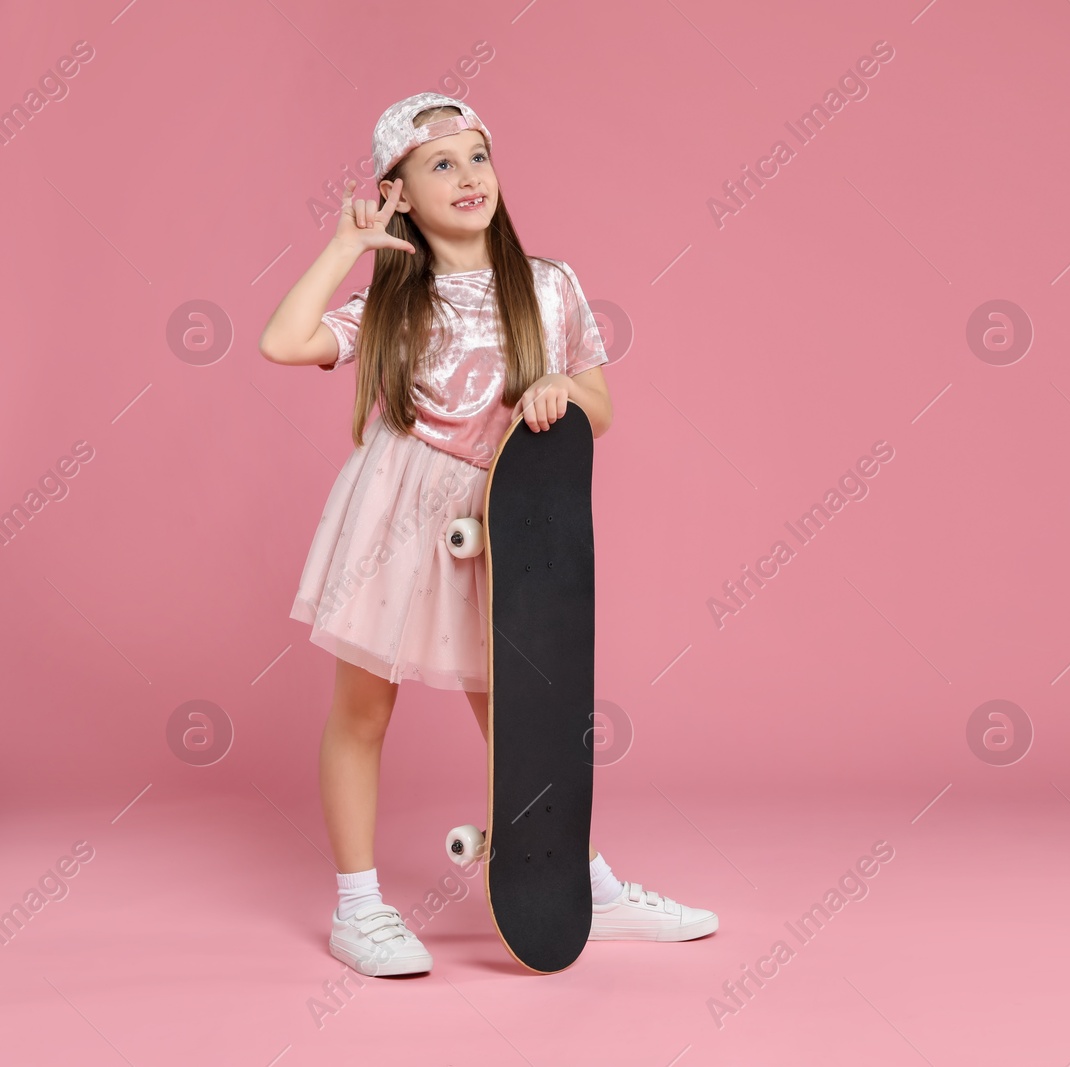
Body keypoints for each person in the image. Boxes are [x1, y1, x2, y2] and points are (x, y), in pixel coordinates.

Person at [259, 92, 717, 977]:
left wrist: (556, 391)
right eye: (440, 165)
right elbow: (284, 341)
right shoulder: (393, 299)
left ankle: (585, 887)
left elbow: (602, 406)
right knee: (364, 707)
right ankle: (360, 906)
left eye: (478, 157)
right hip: (397, 517)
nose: (468, 177)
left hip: (504, 515)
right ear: (397, 191)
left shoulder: (549, 284)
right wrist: (349, 244)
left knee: (523, 717)